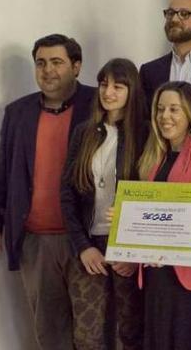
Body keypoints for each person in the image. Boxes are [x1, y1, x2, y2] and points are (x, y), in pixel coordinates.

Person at [0, 34, 96, 349]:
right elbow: (2, 170)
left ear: (76, 66)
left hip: (87, 241)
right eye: (41, 63)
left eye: (57, 62)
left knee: (93, 333)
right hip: (36, 241)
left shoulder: (98, 104)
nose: (47, 70)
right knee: (50, 332)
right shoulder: (18, 112)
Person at [60, 58, 147, 350]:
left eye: (118, 86)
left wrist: (135, 254)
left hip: (127, 247)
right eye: (103, 84)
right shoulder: (84, 132)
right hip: (88, 244)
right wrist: (82, 247)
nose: (108, 92)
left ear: (131, 90)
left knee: (131, 330)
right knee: (87, 335)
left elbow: (154, 194)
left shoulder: (146, 133)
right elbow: (68, 194)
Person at [137, 82, 191, 350]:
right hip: (155, 270)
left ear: (190, 112)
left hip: (188, 270)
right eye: (160, 109)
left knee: (186, 340)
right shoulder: (156, 152)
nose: (165, 116)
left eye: (174, 109)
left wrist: (169, 248)